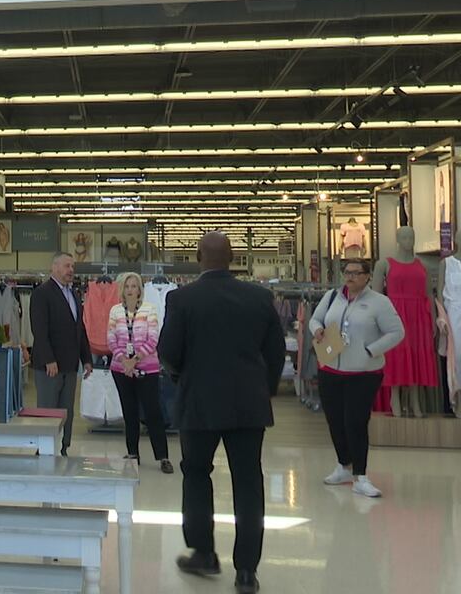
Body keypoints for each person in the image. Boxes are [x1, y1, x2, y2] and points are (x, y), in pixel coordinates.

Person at [157, 232, 285, 594]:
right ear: (233, 258)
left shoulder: (181, 299)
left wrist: (183, 377)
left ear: (198, 257)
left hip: (199, 402)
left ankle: (203, 553)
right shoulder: (260, 297)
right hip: (248, 404)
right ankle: (246, 571)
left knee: (196, 474)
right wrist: (265, 389)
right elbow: (276, 353)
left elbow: (168, 351)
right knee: (248, 483)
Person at [310, 259, 405, 498]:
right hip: (330, 369)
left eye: (356, 273)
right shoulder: (332, 296)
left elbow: (397, 332)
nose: (350, 277)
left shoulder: (379, 302)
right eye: (347, 272)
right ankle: (343, 465)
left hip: (363, 374)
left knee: (355, 422)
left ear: (367, 276)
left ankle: (360, 476)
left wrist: (371, 350)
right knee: (335, 421)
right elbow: (315, 319)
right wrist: (317, 330)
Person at [107, 271, 173, 473]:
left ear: (140, 290)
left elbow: (153, 339)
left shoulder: (149, 310)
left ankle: (162, 456)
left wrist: (134, 360)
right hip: (121, 369)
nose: (130, 290)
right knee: (130, 411)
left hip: (147, 369)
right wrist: (124, 361)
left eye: (134, 286)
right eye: (127, 286)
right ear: (122, 290)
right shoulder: (115, 311)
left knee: (153, 412)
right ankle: (133, 452)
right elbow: (111, 339)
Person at [29, 251, 93, 456]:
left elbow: (79, 329)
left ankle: (64, 447)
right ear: (54, 267)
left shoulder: (73, 295)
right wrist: (49, 359)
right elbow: (39, 329)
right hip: (50, 366)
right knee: (48, 409)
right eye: (67, 266)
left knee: (67, 410)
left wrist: (87, 359)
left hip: (70, 365)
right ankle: (45, 449)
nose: (71, 270)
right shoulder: (42, 293)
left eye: (72, 267)